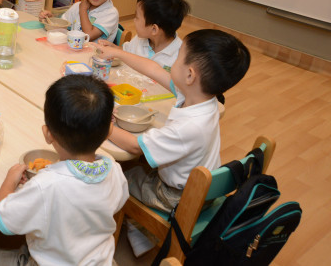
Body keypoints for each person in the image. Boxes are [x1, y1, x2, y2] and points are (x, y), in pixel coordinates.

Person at [0, 75, 128, 266]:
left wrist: (9, 181)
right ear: (107, 132)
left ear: (47, 134)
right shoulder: (114, 168)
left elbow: (1, 221)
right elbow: (117, 202)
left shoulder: (46, 185)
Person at [93, 29, 251, 213]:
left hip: (176, 197)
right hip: (193, 186)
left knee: (114, 176)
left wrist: (103, 125)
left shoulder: (188, 127)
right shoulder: (203, 98)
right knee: (134, 168)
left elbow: (135, 146)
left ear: (190, 75)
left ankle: (140, 234)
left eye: (178, 58)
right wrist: (117, 52)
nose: (173, 63)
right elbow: (154, 69)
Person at [123, 0, 190, 69]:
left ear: (154, 29)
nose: (134, 20)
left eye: (137, 17)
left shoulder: (179, 56)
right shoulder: (139, 39)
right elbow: (125, 52)